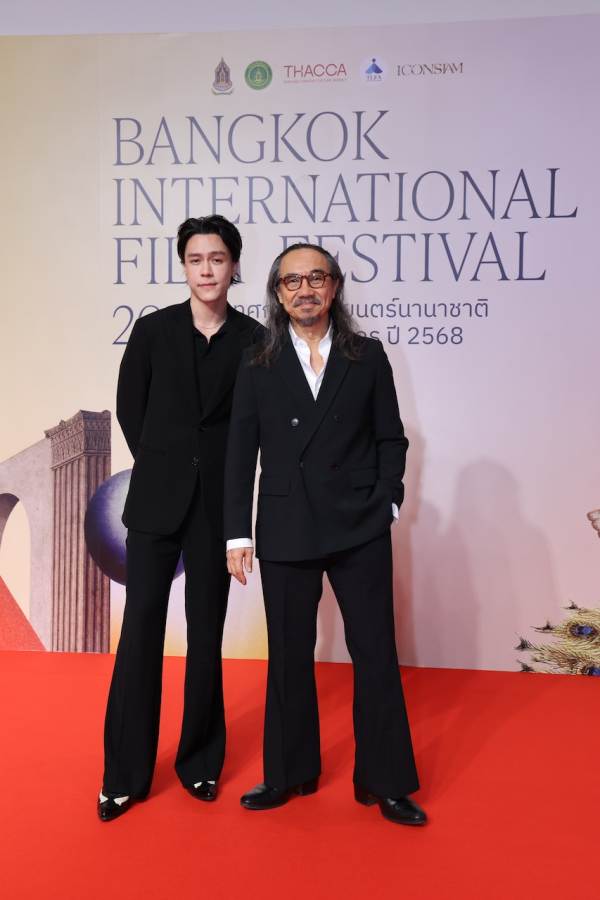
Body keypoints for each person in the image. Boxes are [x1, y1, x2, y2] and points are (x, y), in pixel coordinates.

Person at [224, 243, 426, 826]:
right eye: (292, 281)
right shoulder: (257, 362)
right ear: (278, 293)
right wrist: (237, 535)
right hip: (286, 524)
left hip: (359, 523)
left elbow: (391, 438)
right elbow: (240, 453)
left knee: (376, 653)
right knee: (288, 655)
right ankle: (288, 772)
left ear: (334, 287)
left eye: (316, 278)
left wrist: (388, 501)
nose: (305, 290)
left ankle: (386, 783)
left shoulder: (367, 356)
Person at [98, 215, 263, 822]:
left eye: (217, 259)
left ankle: (199, 763)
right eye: (196, 259)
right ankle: (123, 774)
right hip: (155, 505)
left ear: (234, 266)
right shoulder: (153, 331)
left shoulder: (255, 339)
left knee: (206, 635)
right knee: (140, 632)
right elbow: (130, 408)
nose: (207, 270)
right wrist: (167, 464)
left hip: (216, 508)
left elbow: (252, 427)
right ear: (184, 267)